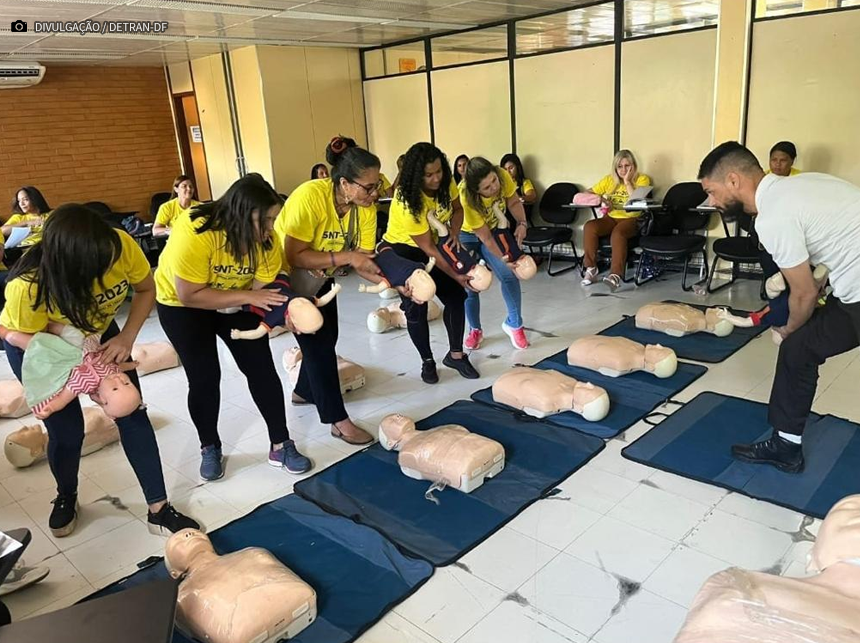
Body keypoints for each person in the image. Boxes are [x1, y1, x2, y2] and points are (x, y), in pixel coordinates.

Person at [0, 205, 199, 537]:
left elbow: (146, 289)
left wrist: (126, 337)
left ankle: (159, 509)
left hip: (94, 335)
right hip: (41, 348)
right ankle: (67, 495)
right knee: (67, 431)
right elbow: (14, 335)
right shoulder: (28, 286)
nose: (107, 270)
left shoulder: (118, 243)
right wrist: (80, 369)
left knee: (131, 410)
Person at [698, 141, 860, 473]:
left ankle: (786, 447)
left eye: (711, 192)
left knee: (797, 348)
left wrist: (788, 330)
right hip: (851, 286)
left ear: (733, 180)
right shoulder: (806, 184)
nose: (711, 202)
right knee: (802, 344)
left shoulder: (772, 216)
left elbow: (803, 295)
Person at [155, 174, 311, 481]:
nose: (270, 229)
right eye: (264, 220)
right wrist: (248, 296)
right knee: (204, 378)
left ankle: (281, 443)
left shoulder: (266, 240)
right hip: (182, 305)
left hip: (235, 303)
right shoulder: (196, 228)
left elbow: (264, 288)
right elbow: (190, 294)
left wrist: (287, 311)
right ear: (240, 212)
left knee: (261, 369)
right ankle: (209, 446)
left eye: (274, 219)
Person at [274, 136, 380, 446]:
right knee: (319, 346)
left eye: (377, 186)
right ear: (345, 183)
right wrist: (345, 257)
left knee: (327, 336)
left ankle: (303, 391)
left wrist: (396, 283)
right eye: (368, 187)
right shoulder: (310, 197)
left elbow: (363, 257)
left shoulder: (365, 207)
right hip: (287, 279)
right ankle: (337, 421)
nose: (375, 193)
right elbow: (294, 255)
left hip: (321, 278)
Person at [382, 142, 478, 383]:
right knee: (418, 304)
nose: (436, 179)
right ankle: (427, 361)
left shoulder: (446, 182)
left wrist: (453, 233)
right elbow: (428, 250)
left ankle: (456, 355)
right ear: (417, 176)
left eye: (439, 172)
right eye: (429, 175)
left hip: (435, 242)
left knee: (456, 297)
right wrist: (456, 274)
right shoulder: (408, 200)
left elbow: (457, 209)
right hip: (405, 250)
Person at [459, 157, 530, 350]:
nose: (494, 188)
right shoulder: (466, 196)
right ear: (476, 191)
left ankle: (514, 324)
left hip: (495, 228)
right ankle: (475, 329)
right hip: (467, 234)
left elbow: (514, 202)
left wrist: (522, 223)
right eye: (487, 188)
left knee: (509, 275)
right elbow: (486, 239)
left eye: (494, 181)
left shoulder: (502, 174)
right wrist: (503, 258)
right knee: (472, 282)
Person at [580, 150, 652, 292]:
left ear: (633, 166)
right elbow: (587, 192)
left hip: (632, 218)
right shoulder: (609, 180)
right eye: (620, 166)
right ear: (615, 168)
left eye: (627, 166)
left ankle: (615, 275)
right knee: (590, 226)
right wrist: (602, 199)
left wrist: (627, 182)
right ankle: (591, 268)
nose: (623, 170)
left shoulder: (642, 179)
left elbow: (636, 201)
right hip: (612, 217)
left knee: (618, 233)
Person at [1, 186, 52, 252]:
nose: (21, 204)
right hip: (30, 252)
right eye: (19, 201)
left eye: (25, 199)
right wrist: (26, 223)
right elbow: (2, 231)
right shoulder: (19, 217)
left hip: (49, 248)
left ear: (35, 199)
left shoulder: (51, 214)